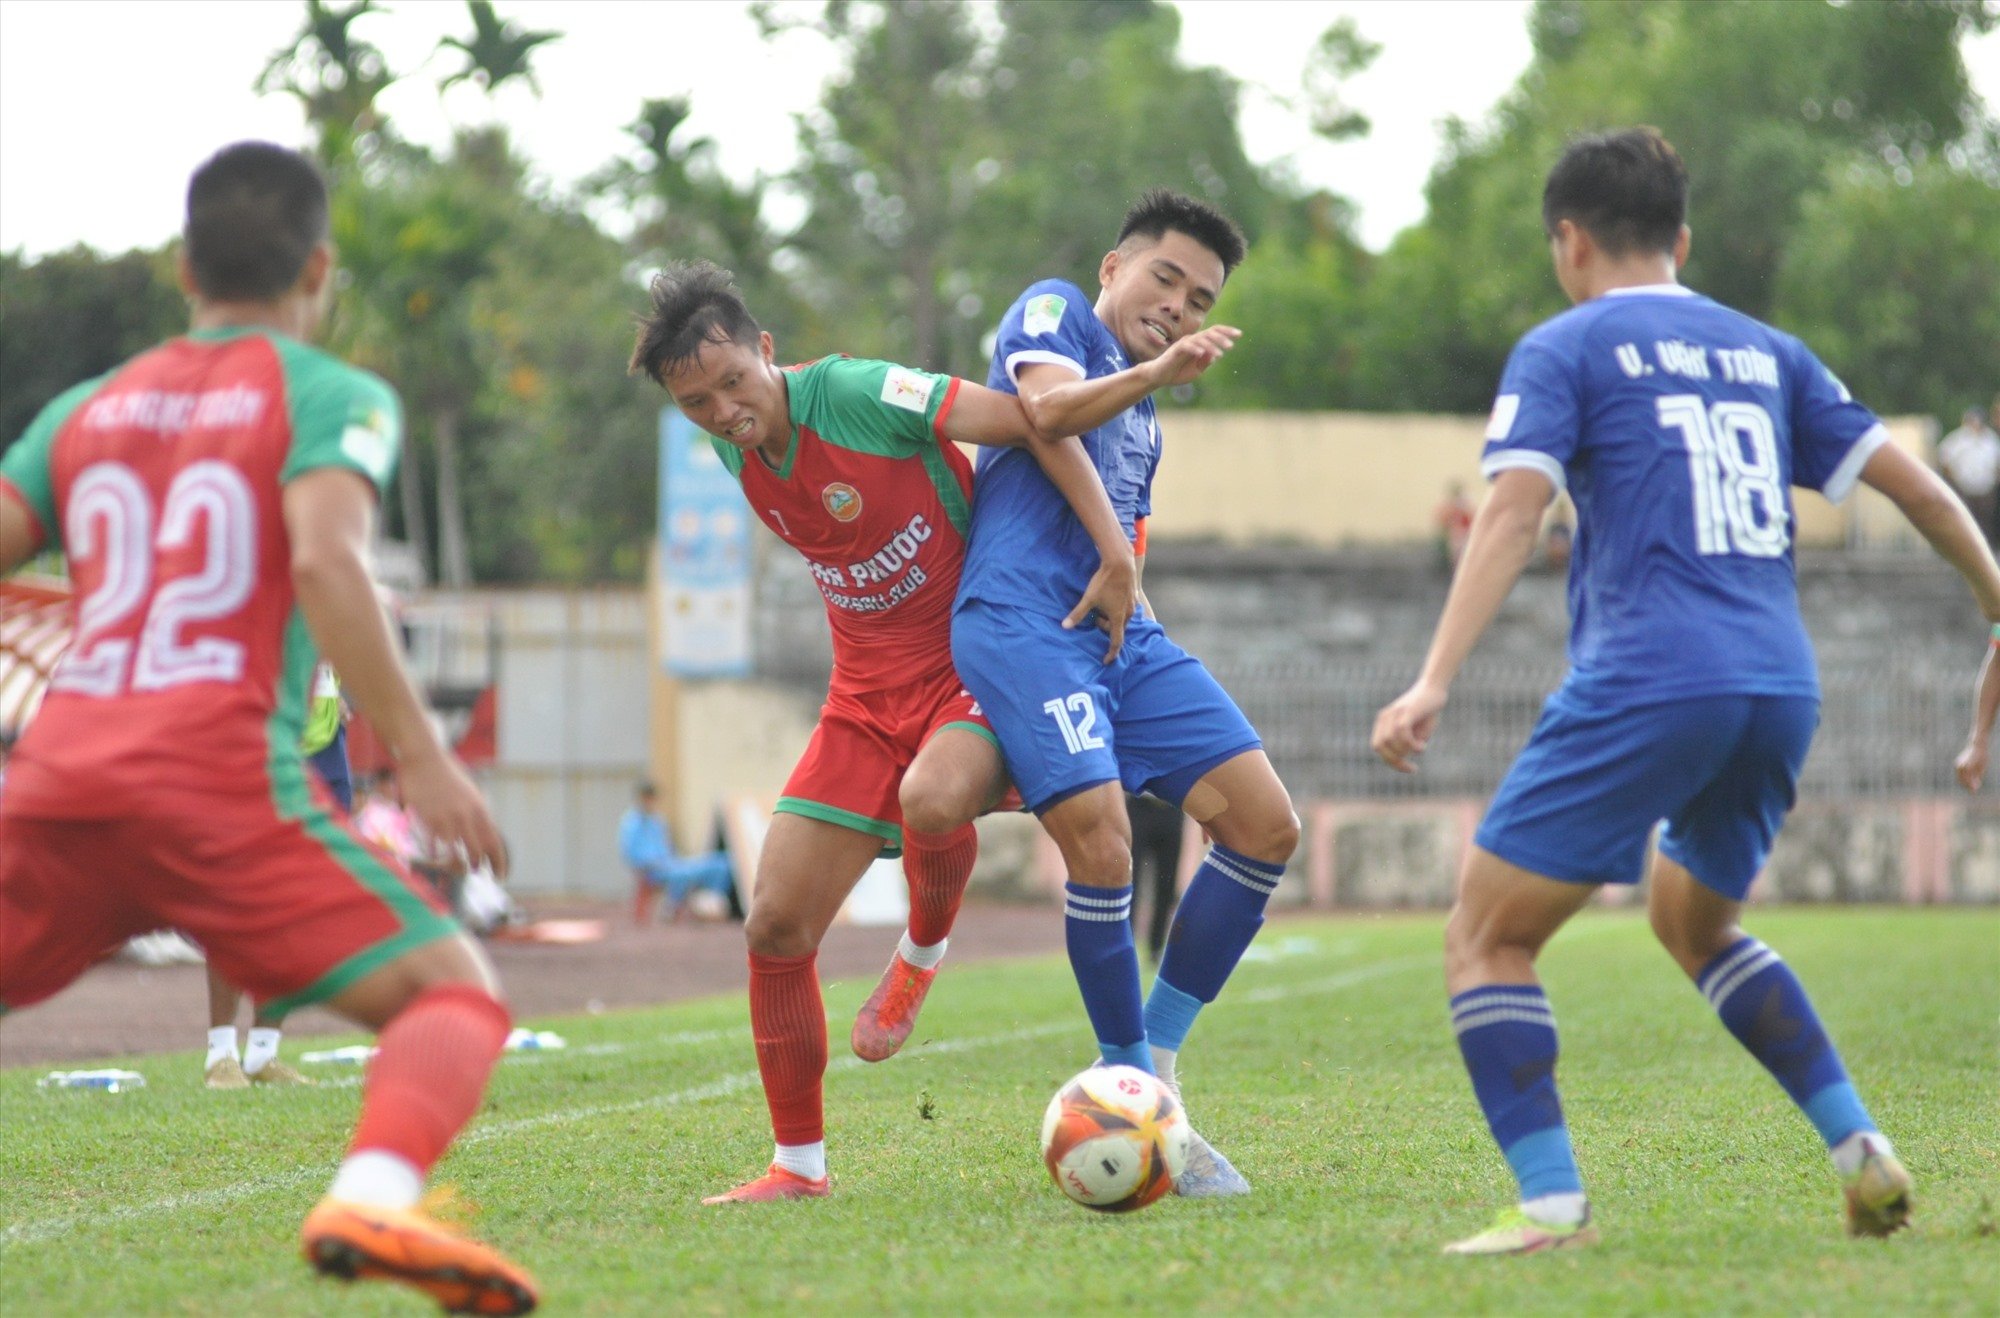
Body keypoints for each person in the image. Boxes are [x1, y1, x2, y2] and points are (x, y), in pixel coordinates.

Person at [1370, 126, 1999, 1256]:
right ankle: (1857, 1150)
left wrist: (1429, 679)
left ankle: (1550, 1205)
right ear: (1682, 238)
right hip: (1776, 683)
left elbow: (1513, 511)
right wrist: (1996, 602)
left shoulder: (1563, 346)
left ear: (1567, 241)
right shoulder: (1771, 351)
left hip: (1652, 677)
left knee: (1482, 935)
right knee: (1690, 919)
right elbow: (1917, 491)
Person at [0, 142, 537, 1313]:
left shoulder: (80, 411)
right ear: (321, 270)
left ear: (182, 266)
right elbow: (328, 565)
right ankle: (374, 1193)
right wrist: (430, 759)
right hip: (215, 785)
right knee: (454, 996)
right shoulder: (329, 395)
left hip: (61, 777)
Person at [629, 260, 1132, 1204]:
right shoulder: (736, 448)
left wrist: (1114, 548)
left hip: (970, 666)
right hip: (861, 696)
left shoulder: (860, 391)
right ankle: (798, 1169)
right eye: (696, 402)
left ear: (767, 350)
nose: (725, 411)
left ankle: (922, 953)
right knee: (774, 921)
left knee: (934, 797)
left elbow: (1032, 421)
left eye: (734, 381)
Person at [951, 189, 1302, 1198]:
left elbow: (1117, 521)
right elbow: (1044, 411)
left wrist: (1122, 572)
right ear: (1113, 266)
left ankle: (1158, 1064)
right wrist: (1153, 371)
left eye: (1197, 299)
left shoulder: (1144, 409)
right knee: (1100, 834)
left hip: (1117, 631)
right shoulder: (1053, 309)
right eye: (1164, 278)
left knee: (1263, 825)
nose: (1177, 307)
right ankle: (1138, 1097)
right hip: (1023, 621)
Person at [205, 660, 350, 1089]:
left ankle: (263, 1053)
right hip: (256, 740)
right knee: (234, 900)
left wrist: (333, 689)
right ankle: (220, 1055)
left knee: (300, 909)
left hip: (322, 744)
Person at [619, 779, 733, 924]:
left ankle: (712, 903)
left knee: (720, 863)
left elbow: (670, 850)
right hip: (652, 869)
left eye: (652, 798)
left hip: (670, 864)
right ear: (640, 798)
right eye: (647, 798)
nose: (650, 802)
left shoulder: (658, 821)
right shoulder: (631, 823)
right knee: (682, 875)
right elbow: (631, 854)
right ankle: (673, 908)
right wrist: (655, 864)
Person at [1937, 406, 2000, 547]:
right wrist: (1954, 481)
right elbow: (1944, 459)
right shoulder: (1957, 439)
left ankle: (1987, 548)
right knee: (1966, 520)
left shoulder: (1991, 440)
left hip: (1986, 490)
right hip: (1964, 488)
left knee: (1985, 521)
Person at [1434, 479, 1476, 570]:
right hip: (1455, 534)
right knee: (1457, 554)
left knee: (1464, 554)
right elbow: (1442, 520)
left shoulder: (1466, 505)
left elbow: (1472, 519)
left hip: (1465, 534)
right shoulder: (1448, 507)